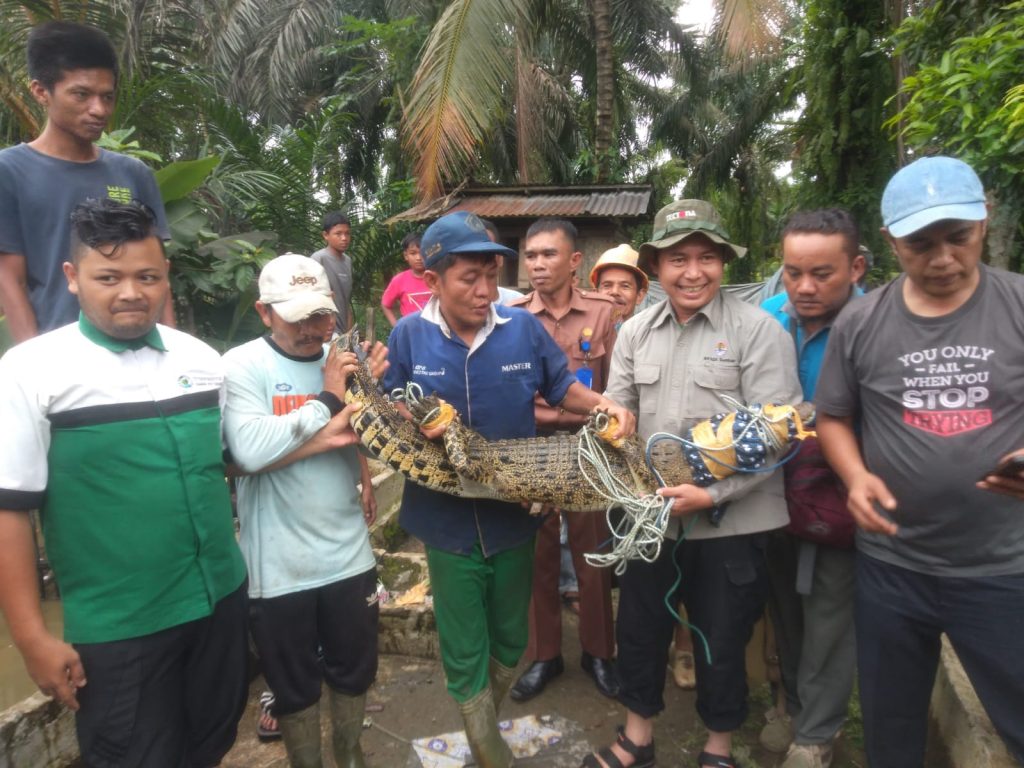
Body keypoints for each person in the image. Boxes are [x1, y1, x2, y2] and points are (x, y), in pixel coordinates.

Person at [383, 210, 636, 767]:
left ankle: (482, 728)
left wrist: (607, 406)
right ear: (433, 280)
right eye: (468, 278)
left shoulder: (520, 327)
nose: (484, 290)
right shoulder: (408, 335)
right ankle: (488, 748)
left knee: (509, 638)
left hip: (516, 511)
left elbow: (562, 386)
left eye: (491, 276)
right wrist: (410, 417)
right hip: (445, 521)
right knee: (464, 640)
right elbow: (390, 401)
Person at [0, 198, 248, 767]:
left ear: (165, 278)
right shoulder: (33, 371)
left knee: (211, 742)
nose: (130, 292)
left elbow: (223, 464)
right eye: (107, 277)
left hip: (220, 603)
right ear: (72, 278)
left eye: (147, 277)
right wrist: (34, 637)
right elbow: (10, 510)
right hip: (121, 629)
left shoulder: (203, 360)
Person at [816, 156, 1024, 767]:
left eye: (957, 238)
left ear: (984, 221)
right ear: (889, 242)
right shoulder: (860, 322)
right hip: (892, 567)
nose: (942, 259)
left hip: (1002, 568)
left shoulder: (1018, 305)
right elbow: (832, 416)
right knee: (891, 725)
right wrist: (854, 477)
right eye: (920, 243)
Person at [590, 199, 801, 768]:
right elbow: (620, 405)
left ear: (723, 263)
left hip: (730, 521)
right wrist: (611, 425)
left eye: (707, 257)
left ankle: (718, 746)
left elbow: (779, 430)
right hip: (649, 519)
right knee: (639, 628)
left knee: (724, 638)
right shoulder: (634, 332)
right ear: (656, 266)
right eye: (678, 258)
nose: (693, 272)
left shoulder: (758, 331)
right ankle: (637, 736)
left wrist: (712, 494)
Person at [222, 253, 383, 768]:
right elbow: (246, 452)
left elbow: (367, 434)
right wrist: (328, 400)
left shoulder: (343, 358)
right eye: (298, 318)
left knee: (355, 670)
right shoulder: (242, 366)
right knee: (293, 685)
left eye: (321, 315)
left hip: (347, 553)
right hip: (279, 566)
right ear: (264, 312)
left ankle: (352, 755)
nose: (314, 330)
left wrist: (365, 447)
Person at [758, 208, 866, 768]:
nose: (803, 287)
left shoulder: (876, 324)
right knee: (784, 610)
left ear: (856, 267)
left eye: (821, 274)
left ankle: (818, 734)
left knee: (828, 613)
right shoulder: (768, 317)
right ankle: (793, 705)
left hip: (839, 503)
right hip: (771, 498)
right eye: (793, 272)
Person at [0, 21, 171, 343]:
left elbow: (156, 273)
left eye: (107, 96)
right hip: (58, 350)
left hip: (137, 347)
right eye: (81, 94)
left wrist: (170, 351)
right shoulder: (9, 171)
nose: (99, 109)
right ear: (41, 92)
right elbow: (9, 279)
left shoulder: (133, 173)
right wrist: (31, 362)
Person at [507, 219, 618, 703]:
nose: (536, 264)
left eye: (548, 255)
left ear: (575, 261)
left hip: (586, 448)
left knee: (593, 556)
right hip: (532, 445)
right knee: (538, 556)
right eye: (530, 255)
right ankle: (545, 654)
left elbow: (618, 386)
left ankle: (599, 652)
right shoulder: (511, 317)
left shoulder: (604, 314)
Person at [311, 211, 355, 334]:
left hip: (342, 332)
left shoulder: (348, 261)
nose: (344, 238)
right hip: (324, 332)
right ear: (326, 235)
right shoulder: (318, 259)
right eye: (338, 234)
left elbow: (346, 300)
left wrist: (348, 334)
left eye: (347, 233)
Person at [590, 243, 648, 331]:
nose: (615, 292)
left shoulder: (648, 337)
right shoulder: (581, 335)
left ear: (640, 295)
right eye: (607, 285)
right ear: (595, 293)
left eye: (625, 286)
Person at [381, 231, 430, 326]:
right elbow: (385, 304)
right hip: (410, 334)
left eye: (422, 253)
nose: (418, 258)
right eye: (413, 253)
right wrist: (397, 327)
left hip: (436, 333)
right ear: (406, 256)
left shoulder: (437, 277)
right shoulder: (399, 280)